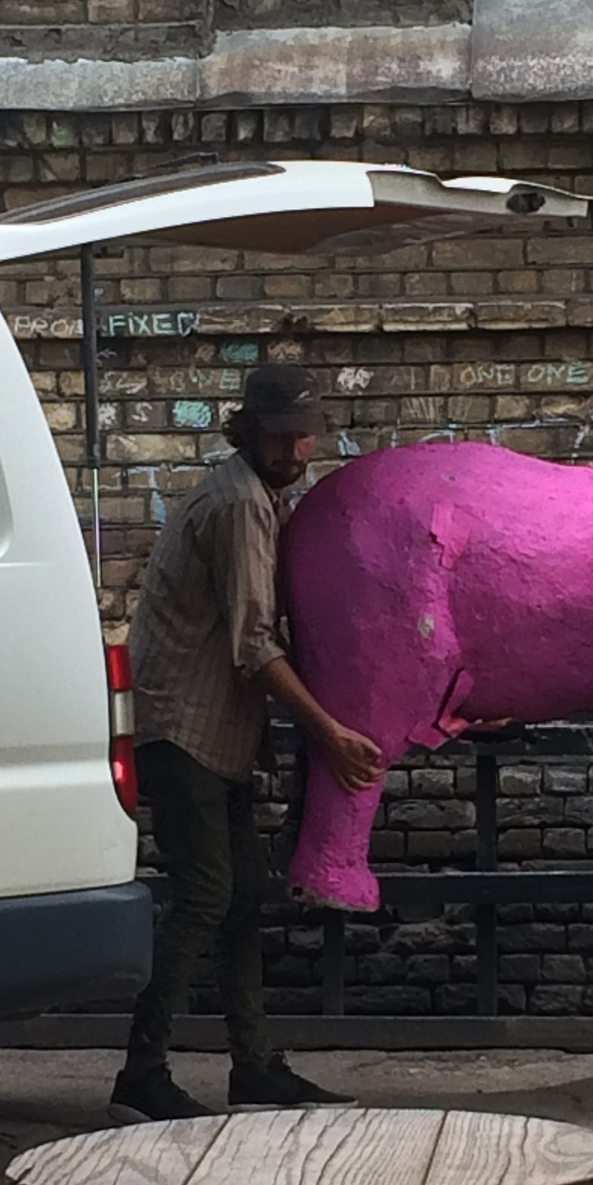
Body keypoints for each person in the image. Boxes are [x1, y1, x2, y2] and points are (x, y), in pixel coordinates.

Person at [108, 362, 384, 1123]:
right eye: (282, 434)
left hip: (216, 734)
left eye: (305, 433)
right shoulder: (239, 507)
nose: (298, 448)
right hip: (186, 729)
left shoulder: (261, 496)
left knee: (244, 898)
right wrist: (328, 733)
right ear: (252, 433)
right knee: (204, 895)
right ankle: (141, 1069)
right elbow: (253, 645)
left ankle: (254, 1065)